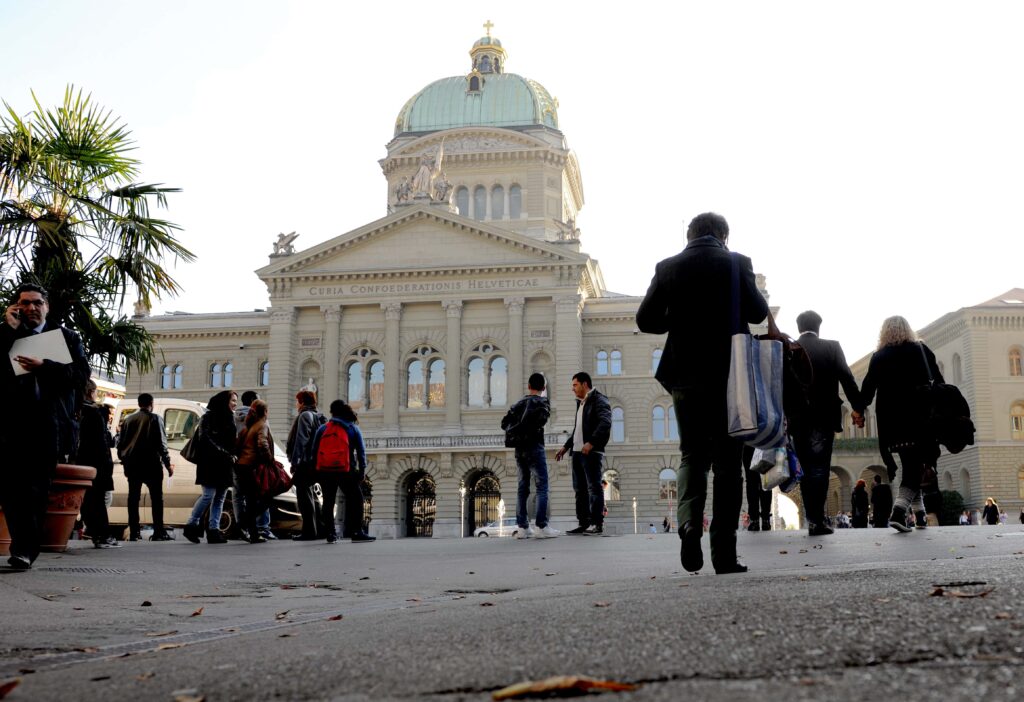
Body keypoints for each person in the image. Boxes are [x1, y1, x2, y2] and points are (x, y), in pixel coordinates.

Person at [636, 212, 768, 575]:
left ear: (689, 235)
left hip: (685, 378)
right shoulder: (737, 263)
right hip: (731, 376)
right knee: (728, 464)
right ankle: (724, 554)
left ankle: (689, 523)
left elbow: (645, 320)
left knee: (692, 454)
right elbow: (758, 313)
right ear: (724, 235)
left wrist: (676, 319)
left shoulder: (667, 267)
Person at [0, 283, 90, 568]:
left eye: (37, 302)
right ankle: (21, 548)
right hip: (11, 426)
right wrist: (10, 331)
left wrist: (44, 365)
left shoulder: (66, 337)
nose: (31, 308)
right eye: (24, 303)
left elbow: (79, 376)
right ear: (16, 306)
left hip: (48, 426)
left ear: (47, 306)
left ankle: (25, 550)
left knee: (37, 490)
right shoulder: (7, 335)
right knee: (12, 490)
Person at [859, 316, 942, 533]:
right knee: (915, 467)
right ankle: (898, 512)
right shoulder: (920, 350)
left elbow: (867, 390)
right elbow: (939, 381)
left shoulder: (879, 357)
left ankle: (921, 515)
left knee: (911, 464)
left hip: (893, 424)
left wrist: (858, 411)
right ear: (908, 330)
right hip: (920, 419)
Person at [789, 311, 865, 536]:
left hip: (798, 418)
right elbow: (847, 378)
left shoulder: (790, 349)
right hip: (824, 417)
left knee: (804, 468)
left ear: (799, 326)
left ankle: (812, 519)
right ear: (819, 327)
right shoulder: (832, 347)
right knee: (820, 468)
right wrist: (858, 408)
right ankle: (817, 519)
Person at [308, 400, 375, 543]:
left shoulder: (323, 428)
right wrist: (362, 469)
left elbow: (314, 452)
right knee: (356, 499)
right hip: (346, 470)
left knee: (328, 501)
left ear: (332, 412)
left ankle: (330, 533)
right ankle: (357, 531)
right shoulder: (352, 428)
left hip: (326, 471)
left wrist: (316, 470)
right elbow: (361, 452)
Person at [501, 372, 558, 540]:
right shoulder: (542, 402)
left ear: (528, 386)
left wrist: (517, 429)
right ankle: (541, 526)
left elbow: (504, 423)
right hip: (534, 446)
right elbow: (541, 421)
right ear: (544, 387)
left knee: (522, 487)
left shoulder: (518, 404)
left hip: (520, 449)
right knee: (542, 486)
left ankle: (523, 528)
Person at [555, 372, 611, 535]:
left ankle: (596, 524)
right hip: (578, 452)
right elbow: (577, 430)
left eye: (575, 385)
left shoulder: (600, 400)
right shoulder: (581, 403)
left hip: (591, 452)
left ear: (584, 384)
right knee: (580, 490)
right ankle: (584, 523)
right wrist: (566, 447)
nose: (572, 389)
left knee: (594, 488)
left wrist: (591, 442)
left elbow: (605, 423)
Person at [182, 391, 238, 545]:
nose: (235, 403)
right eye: (233, 400)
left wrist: (231, 454)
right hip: (210, 463)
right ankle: (191, 525)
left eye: (235, 401)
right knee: (208, 495)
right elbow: (204, 438)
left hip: (224, 463)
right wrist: (225, 452)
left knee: (220, 497)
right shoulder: (208, 417)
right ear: (224, 401)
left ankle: (214, 530)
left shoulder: (229, 418)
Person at [117, 393, 174, 541]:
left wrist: (125, 462)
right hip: (152, 464)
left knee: (133, 498)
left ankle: (135, 532)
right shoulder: (155, 419)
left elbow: (120, 445)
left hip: (133, 465)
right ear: (151, 403)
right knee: (156, 499)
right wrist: (168, 465)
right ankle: (159, 532)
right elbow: (162, 445)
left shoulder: (128, 420)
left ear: (139, 404)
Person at [74, 379, 119, 548]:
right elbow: (101, 444)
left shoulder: (76, 410)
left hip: (80, 461)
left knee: (87, 500)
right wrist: (107, 466)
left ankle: (94, 531)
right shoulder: (95, 413)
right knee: (98, 500)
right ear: (91, 392)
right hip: (96, 464)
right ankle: (102, 535)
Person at [232, 390, 274, 541]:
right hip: (252, 466)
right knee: (265, 498)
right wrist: (270, 460)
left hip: (241, 465)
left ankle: (252, 532)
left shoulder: (247, 425)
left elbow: (237, 444)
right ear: (264, 412)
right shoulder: (261, 425)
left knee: (247, 499)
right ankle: (242, 526)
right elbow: (263, 444)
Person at [286, 390, 326, 541]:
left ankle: (309, 531)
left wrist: (295, 462)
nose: (296, 404)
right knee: (314, 498)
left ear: (302, 402)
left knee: (304, 498)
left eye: (297, 401)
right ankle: (318, 530)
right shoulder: (319, 416)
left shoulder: (304, 415)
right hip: (317, 462)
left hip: (306, 463)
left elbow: (301, 441)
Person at [743, 445, 772, 531]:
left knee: (751, 482)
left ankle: (754, 520)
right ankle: (765, 519)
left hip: (749, 442)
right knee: (766, 480)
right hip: (765, 442)